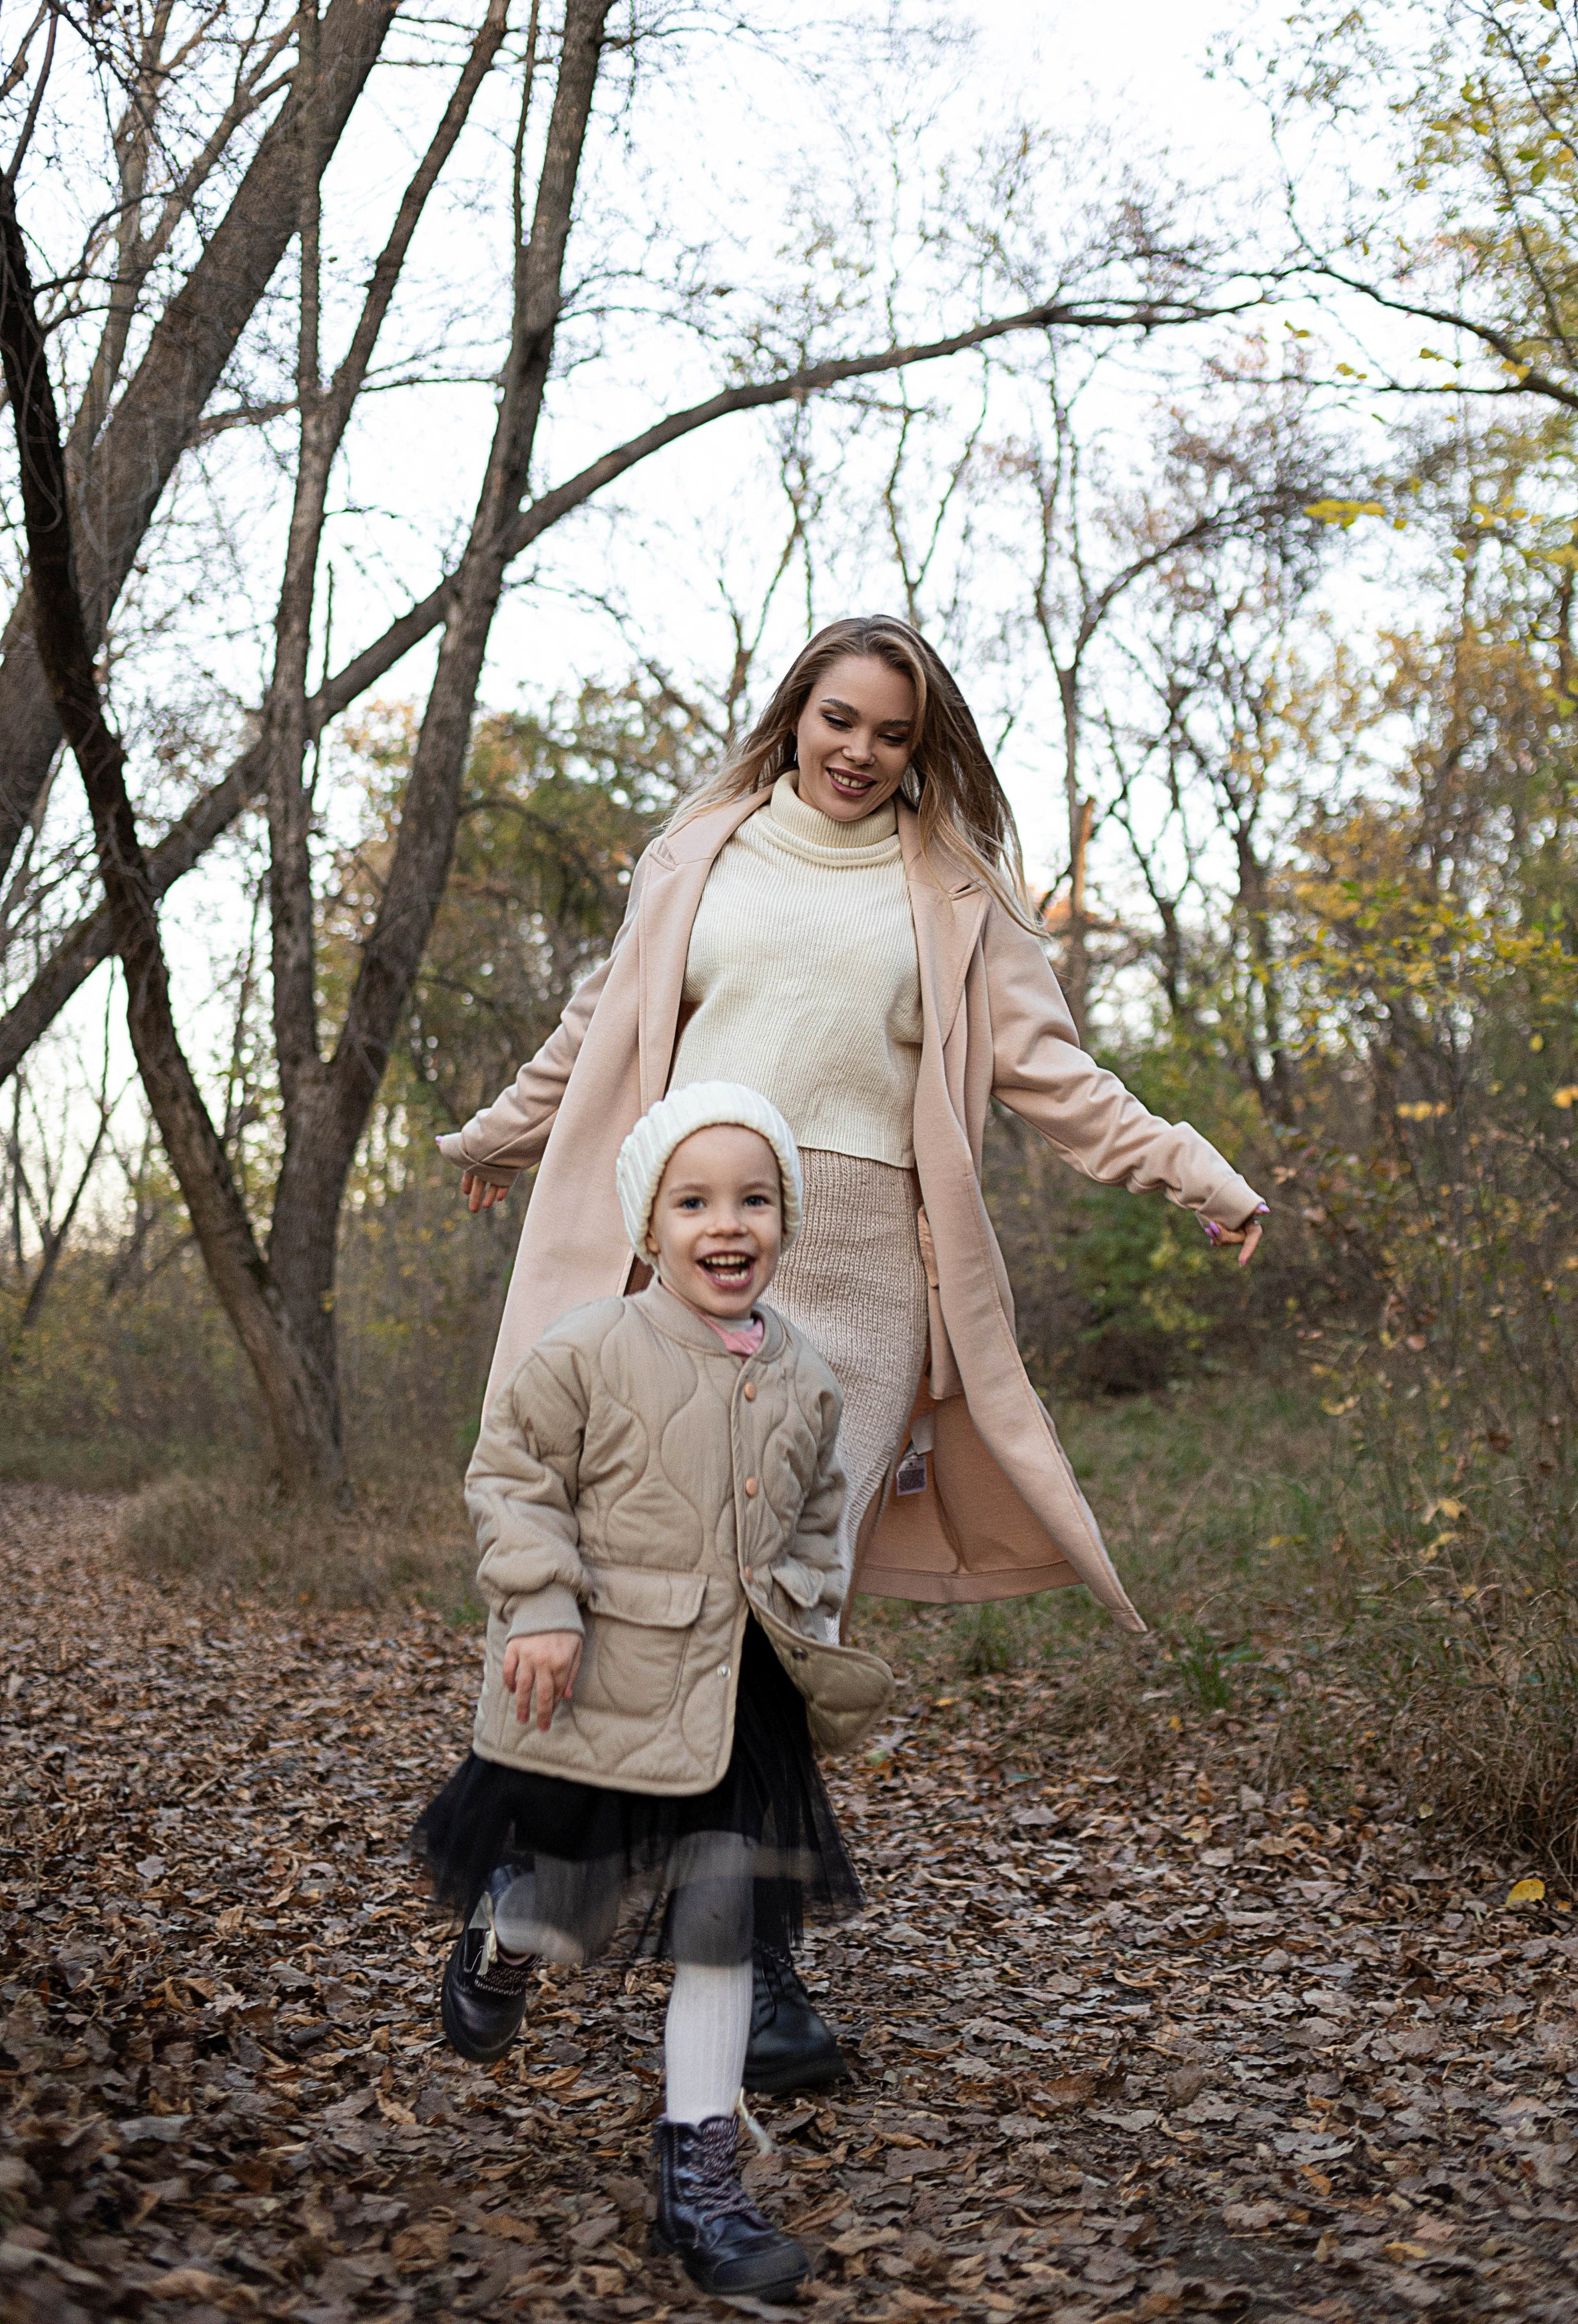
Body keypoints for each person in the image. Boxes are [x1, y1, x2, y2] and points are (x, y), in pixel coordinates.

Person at [439, 615, 1266, 2086]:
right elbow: (597, 1027)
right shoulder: (697, 854)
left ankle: (751, 1967)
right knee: (643, 1591)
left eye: (893, 733)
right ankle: (524, 1884)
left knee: (783, 1615)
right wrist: (500, 1137)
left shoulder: (954, 892)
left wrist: (1189, 1168)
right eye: (840, 720)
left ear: (922, 746)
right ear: (795, 714)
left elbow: (1053, 1074)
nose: (861, 753)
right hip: (691, 1258)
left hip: (867, 1286)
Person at [417, 1083, 892, 2299]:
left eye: (754, 1200)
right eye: (694, 1202)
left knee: (722, 1926)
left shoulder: (807, 1376)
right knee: (568, 1907)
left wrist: (809, 1617)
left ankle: (703, 2183)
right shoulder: (590, 1349)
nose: (727, 1224)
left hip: (737, 1703)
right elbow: (512, 1476)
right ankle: (503, 1936)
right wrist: (539, 1605)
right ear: (649, 1226)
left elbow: (818, 1517)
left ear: (785, 1222)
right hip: (597, 1687)